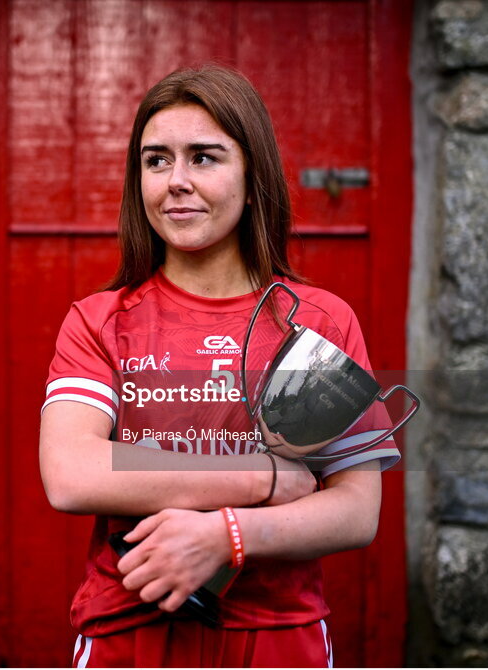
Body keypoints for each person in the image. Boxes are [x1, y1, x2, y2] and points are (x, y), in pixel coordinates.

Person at [39, 64, 399, 668]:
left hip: (278, 634)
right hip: (127, 630)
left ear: (254, 180)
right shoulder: (102, 321)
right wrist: (260, 478)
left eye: (203, 158)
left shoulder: (311, 323)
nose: (175, 181)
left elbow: (356, 510)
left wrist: (228, 537)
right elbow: (73, 473)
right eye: (156, 161)